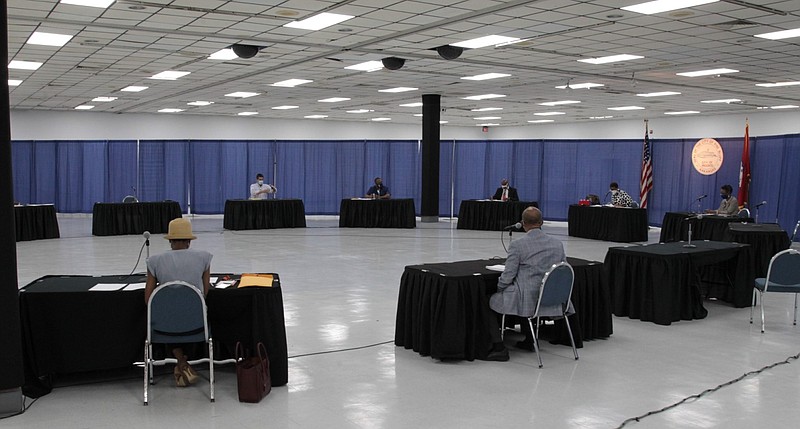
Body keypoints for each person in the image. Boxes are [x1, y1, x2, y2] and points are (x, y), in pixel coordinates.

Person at [486, 206, 567, 361]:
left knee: (487, 301)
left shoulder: (518, 245)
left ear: (523, 224)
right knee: (525, 295)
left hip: (527, 298)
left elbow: (508, 275)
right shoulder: (558, 244)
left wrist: (499, 288)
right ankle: (530, 340)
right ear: (541, 222)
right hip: (551, 297)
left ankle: (498, 347)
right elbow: (562, 270)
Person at [144, 218, 213, 387]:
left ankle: (180, 361)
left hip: (164, 325)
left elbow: (149, 299)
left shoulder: (154, 261)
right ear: (189, 241)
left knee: (166, 319)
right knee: (191, 319)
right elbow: (204, 292)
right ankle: (183, 362)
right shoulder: (204, 258)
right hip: (195, 322)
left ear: (170, 241)